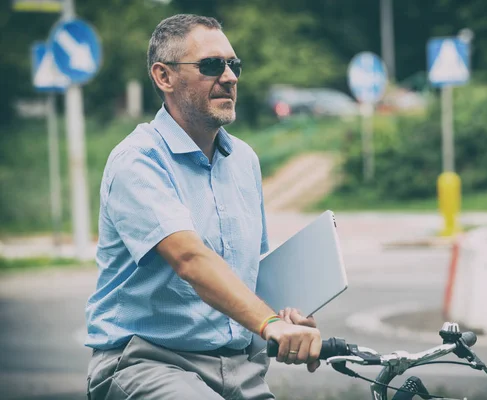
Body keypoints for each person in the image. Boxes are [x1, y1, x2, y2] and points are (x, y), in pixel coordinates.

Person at [85, 14, 322, 400]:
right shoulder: (138, 159)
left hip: (241, 368)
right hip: (148, 364)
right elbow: (190, 259)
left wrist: (287, 317)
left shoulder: (244, 159)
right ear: (164, 77)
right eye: (212, 65)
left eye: (234, 65)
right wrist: (269, 324)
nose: (229, 77)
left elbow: (252, 276)